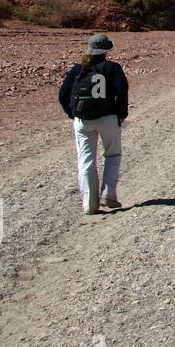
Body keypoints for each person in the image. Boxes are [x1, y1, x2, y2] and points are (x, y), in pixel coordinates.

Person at [59, 33, 130, 214]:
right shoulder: (112, 68)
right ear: (107, 50)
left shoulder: (78, 69)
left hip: (82, 121)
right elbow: (122, 93)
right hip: (108, 118)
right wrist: (121, 115)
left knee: (86, 160)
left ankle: (89, 204)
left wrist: (72, 114)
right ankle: (108, 194)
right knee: (112, 155)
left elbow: (63, 95)